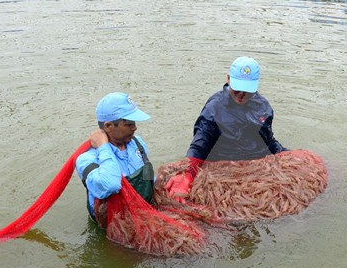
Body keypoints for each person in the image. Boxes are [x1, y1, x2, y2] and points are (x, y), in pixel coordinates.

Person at [165, 57, 288, 202]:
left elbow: (268, 140)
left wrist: (285, 155)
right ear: (228, 79)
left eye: (247, 89)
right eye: (238, 88)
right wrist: (187, 175)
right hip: (224, 172)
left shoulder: (263, 106)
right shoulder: (214, 109)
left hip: (258, 170)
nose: (242, 94)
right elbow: (199, 146)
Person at [75, 92, 154, 220]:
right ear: (108, 126)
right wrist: (103, 147)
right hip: (115, 227)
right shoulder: (86, 159)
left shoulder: (138, 144)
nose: (135, 128)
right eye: (128, 124)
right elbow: (110, 185)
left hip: (145, 214)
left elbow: (148, 180)